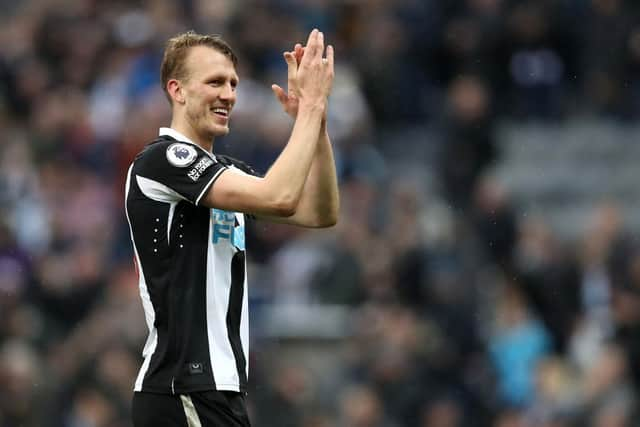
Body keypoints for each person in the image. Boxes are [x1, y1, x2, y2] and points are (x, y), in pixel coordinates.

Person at [125, 28, 338, 426]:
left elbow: (319, 212)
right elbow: (280, 197)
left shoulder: (226, 174)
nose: (228, 94)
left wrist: (318, 119)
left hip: (214, 390)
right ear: (177, 89)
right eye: (214, 82)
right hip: (183, 387)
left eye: (233, 84)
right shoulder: (164, 160)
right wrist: (307, 109)